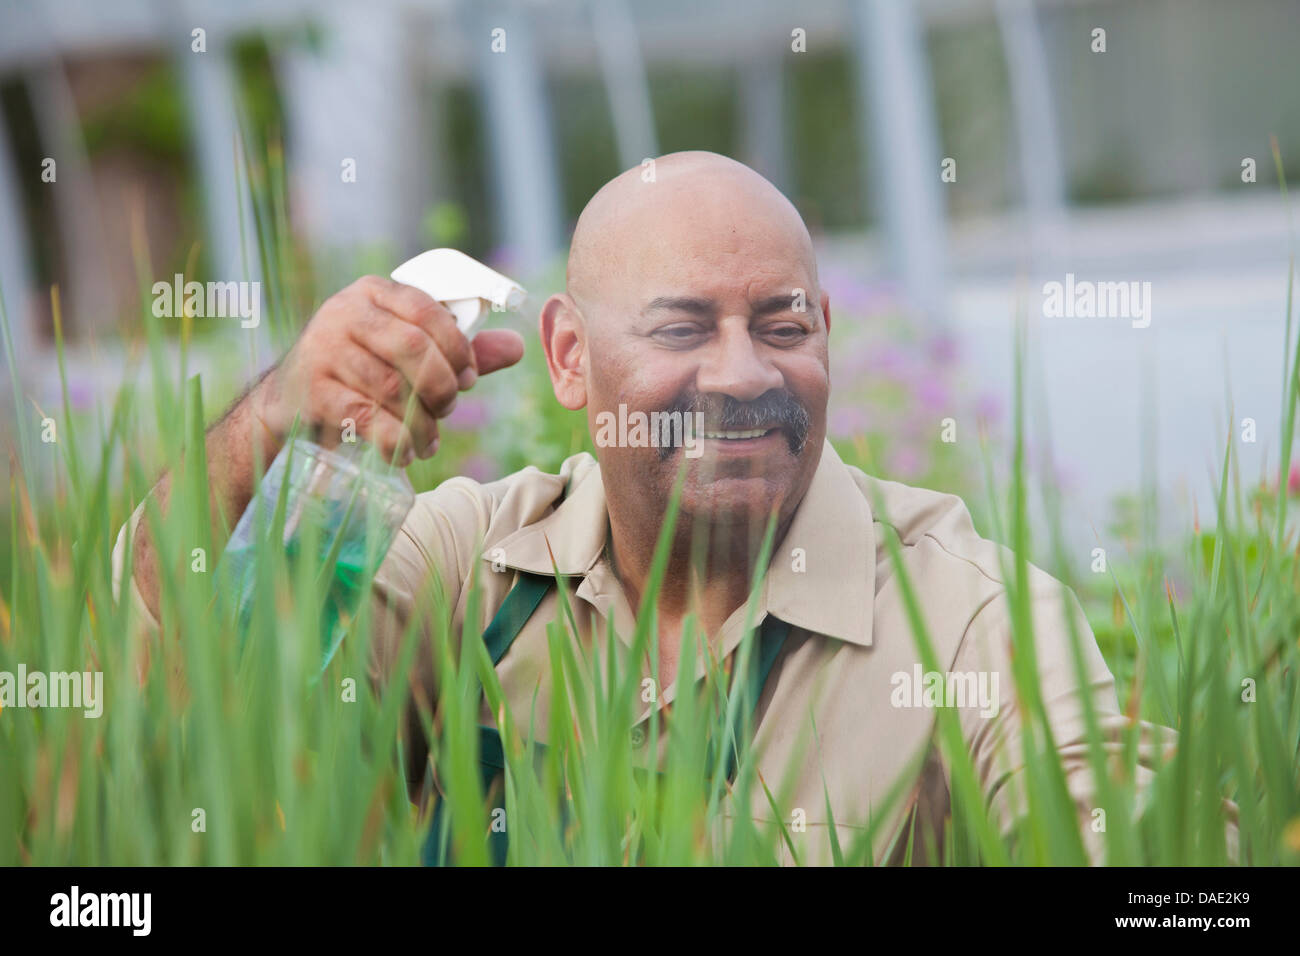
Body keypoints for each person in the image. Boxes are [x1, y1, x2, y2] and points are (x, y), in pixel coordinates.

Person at [113, 150, 1204, 865]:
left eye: (781, 325)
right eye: (681, 328)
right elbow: (182, 686)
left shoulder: (966, 616)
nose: (742, 374)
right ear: (569, 358)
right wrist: (274, 418)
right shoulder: (466, 563)